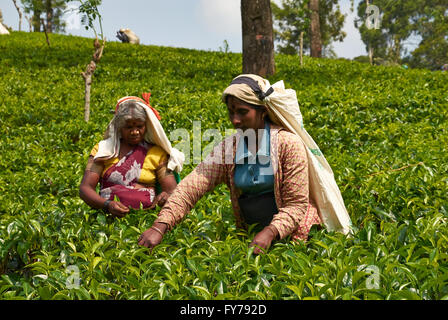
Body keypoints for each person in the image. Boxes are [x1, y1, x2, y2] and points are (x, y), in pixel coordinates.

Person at [138, 75, 351, 254]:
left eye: (242, 112)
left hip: (297, 240)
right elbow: (191, 187)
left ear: (262, 111)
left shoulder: (288, 144)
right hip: (251, 238)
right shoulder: (229, 148)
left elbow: (296, 206)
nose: (235, 120)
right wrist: (160, 226)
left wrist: (270, 232)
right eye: (231, 112)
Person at [79, 93, 184, 218]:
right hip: (107, 217)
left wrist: (164, 197)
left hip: (146, 218)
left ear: (146, 126)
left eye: (139, 126)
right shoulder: (103, 151)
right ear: (119, 127)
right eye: (128, 127)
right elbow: (85, 188)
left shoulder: (157, 153)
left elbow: (172, 190)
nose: (135, 132)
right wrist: (107, 205)